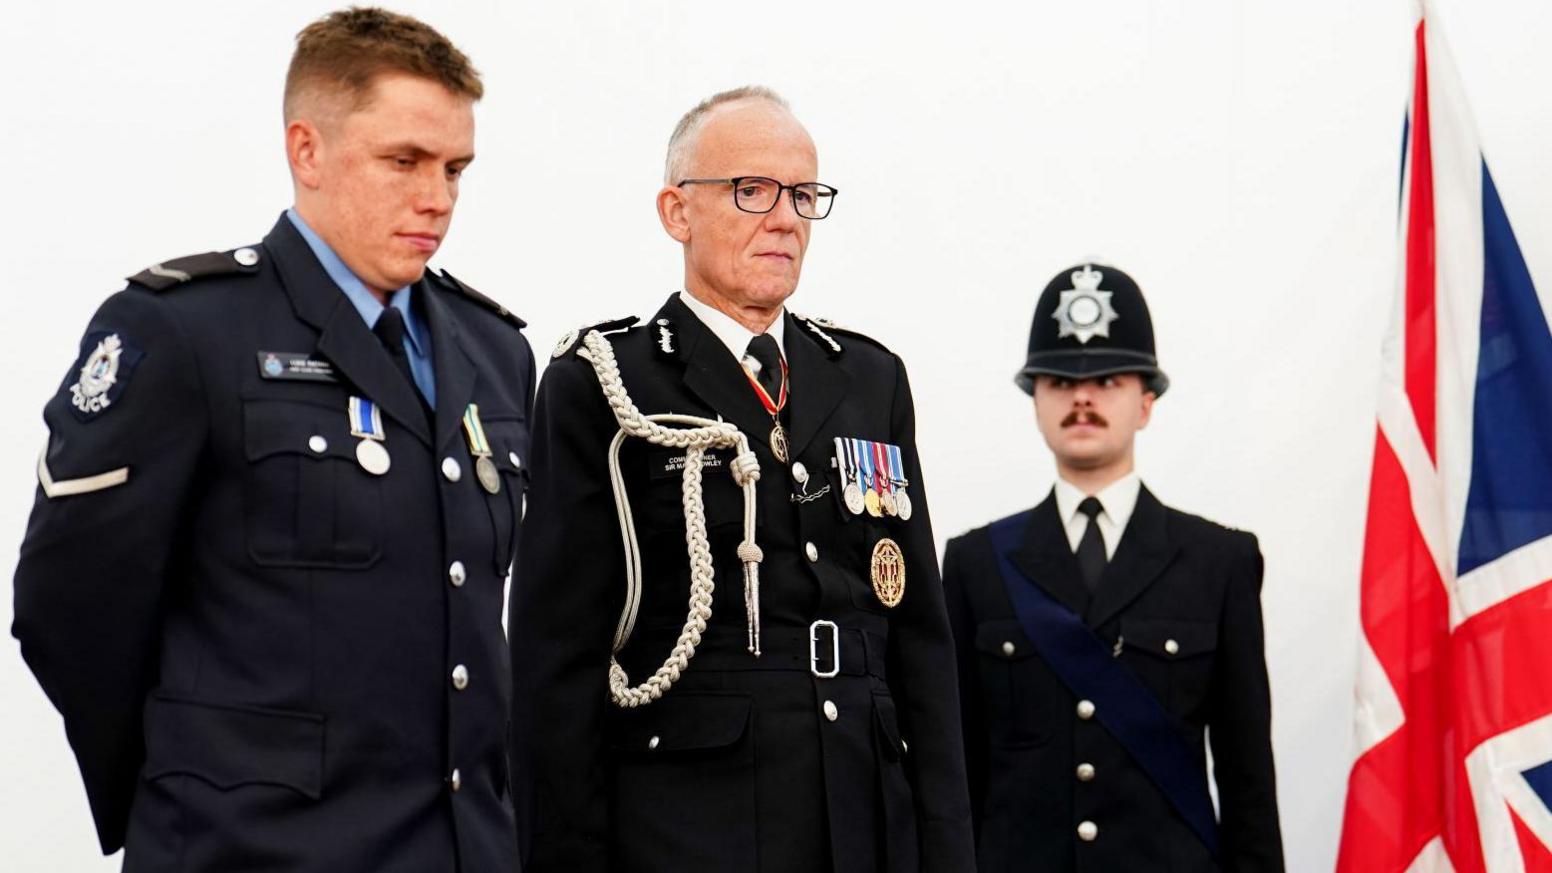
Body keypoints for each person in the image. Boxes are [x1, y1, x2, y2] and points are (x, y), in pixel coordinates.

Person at [12, 9, 532, 871]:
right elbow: (69, 603)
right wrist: (196, 781)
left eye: (454, 168)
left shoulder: (494, 351)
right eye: (402, 161)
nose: (435, 197)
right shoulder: (183, 331)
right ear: (307, 151)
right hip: (251, 848)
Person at [510, 86, 974, 873]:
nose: (786, 218)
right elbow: (555, 665)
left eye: (803, 194)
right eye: (752, 191)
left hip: (867, 817)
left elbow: (920, 646)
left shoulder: (868, 378)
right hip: (692, 825)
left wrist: (947, 852)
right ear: (676, 211)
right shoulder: (606, 381)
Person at [942, 262, 1284, 872]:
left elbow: (1247, 779)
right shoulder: (975, 566)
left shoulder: (1220, 563)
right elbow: (958, 772)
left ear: (1146, 402)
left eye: (1107, 380)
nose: (1082, 397)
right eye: (1058, 381)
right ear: (1036, 402)